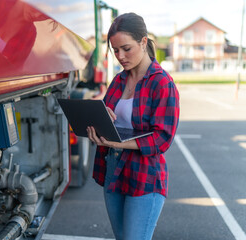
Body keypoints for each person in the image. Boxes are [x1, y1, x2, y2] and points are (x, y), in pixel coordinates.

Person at [86, 12, 180, 240]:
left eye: (126, 49)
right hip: (113, 170)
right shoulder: (118, 80)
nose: (120, 56)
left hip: (145, 176)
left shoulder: (162, 83)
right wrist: (98, 120)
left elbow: (162, 139)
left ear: (143, 42)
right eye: (115, 50)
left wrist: (117, 142)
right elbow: (108, 121)